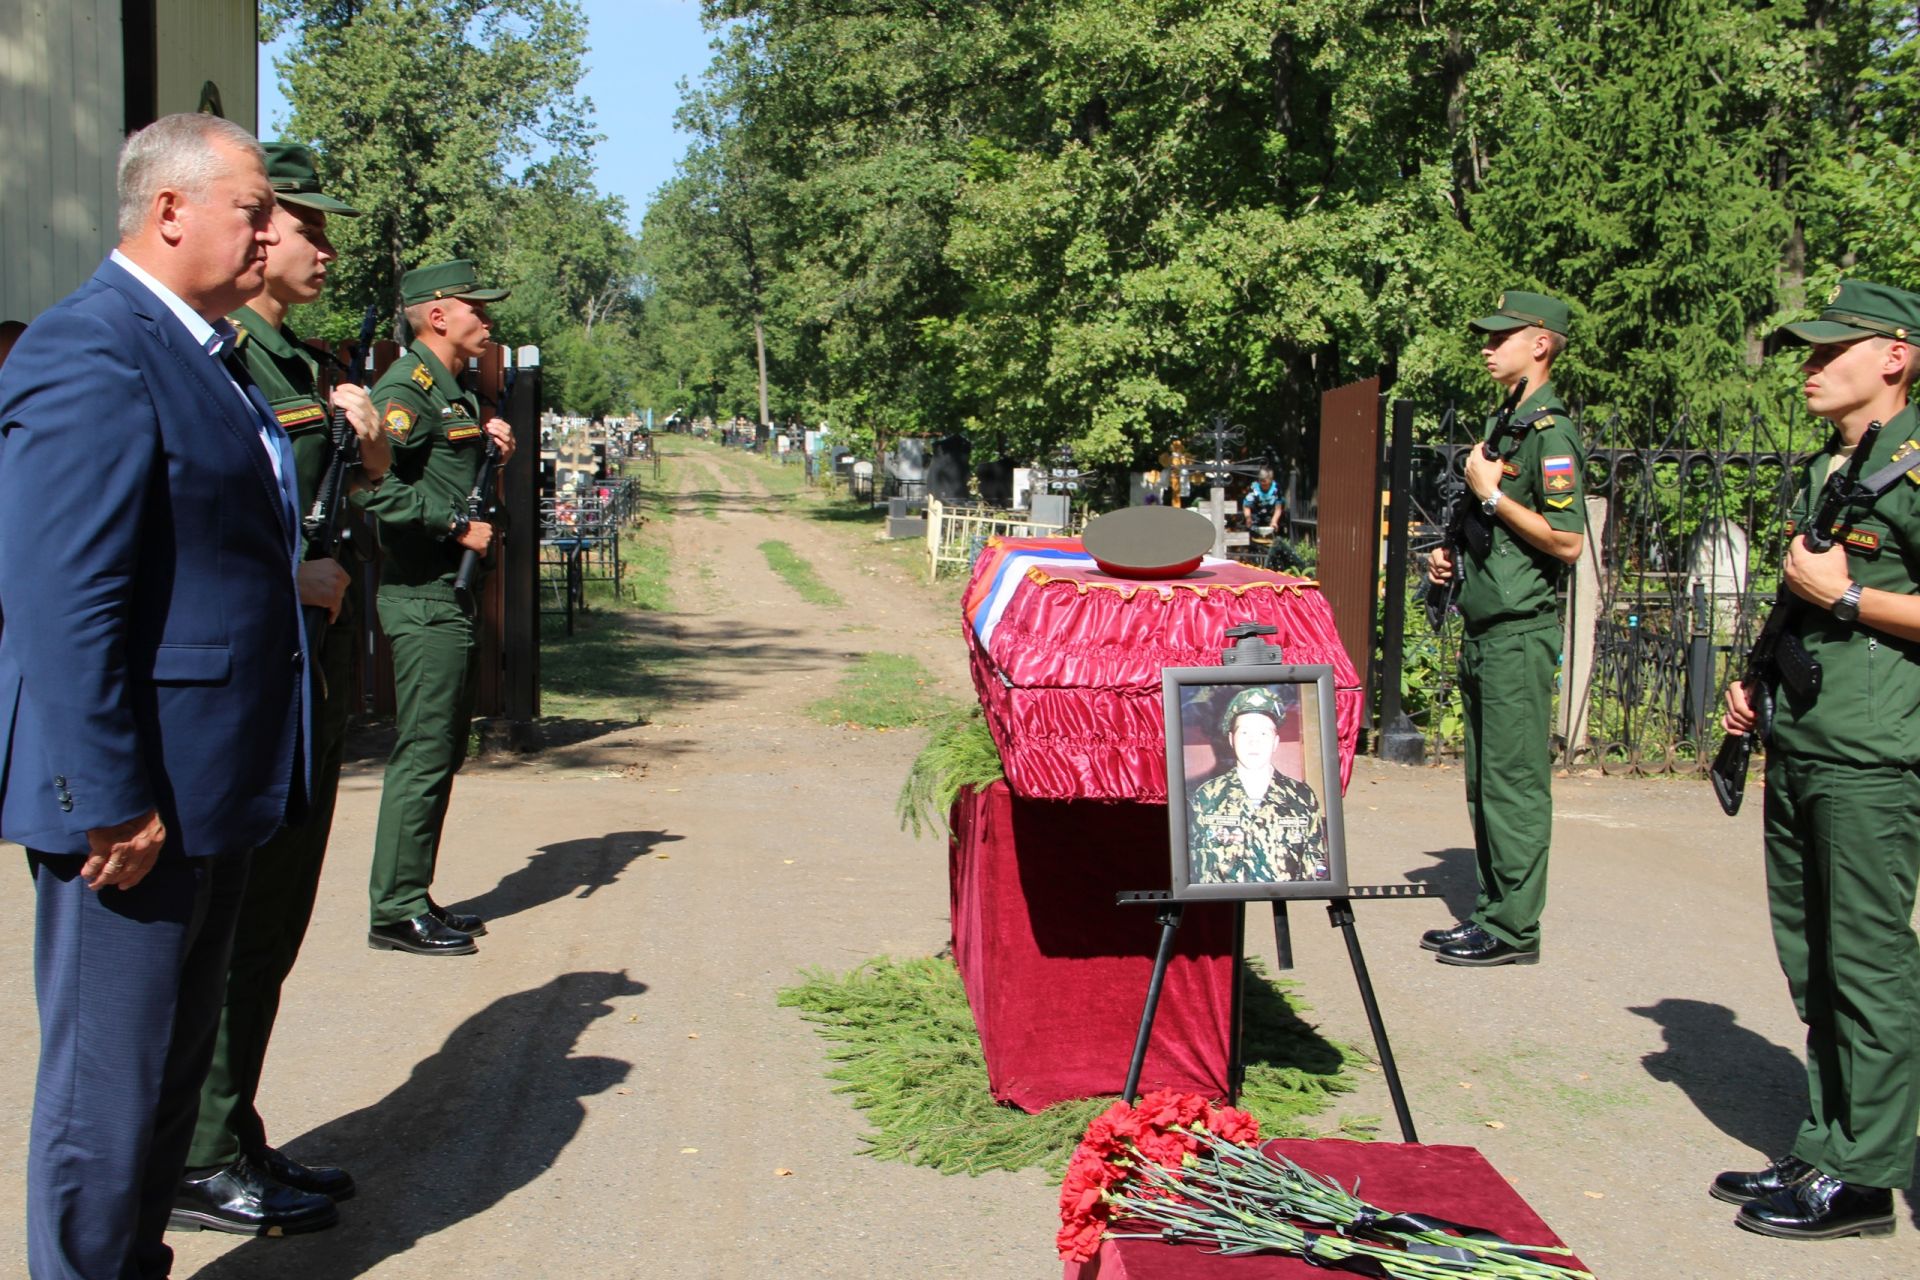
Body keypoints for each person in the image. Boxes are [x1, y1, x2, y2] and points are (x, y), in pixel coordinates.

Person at [0, 112, 304, 1280]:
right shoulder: (94, 346)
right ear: (170, 209)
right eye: (256, 207)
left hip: (206, 781)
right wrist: (110, 793)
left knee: (168, 1075)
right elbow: (63, 595)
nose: (272, 232)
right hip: (128, 802)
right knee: (104, 1089)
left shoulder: (204, 353)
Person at [169, 142, 388, 1238]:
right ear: (257, 237)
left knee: (275, 921)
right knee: (245, 915)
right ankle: (201, 1150)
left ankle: (232, 1123)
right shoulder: (226, 358)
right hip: (262, 669)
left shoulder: (296, 360)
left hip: (308, 662)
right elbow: (200, 527)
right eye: (308, 227)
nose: (320, 248)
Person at [1714, 280, 1920, 1241]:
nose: (1807, 368)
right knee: (1814, 959)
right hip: (1807, 737)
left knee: (1868, 965)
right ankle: (1830, 1139)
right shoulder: (1835, 466)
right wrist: (1759, 679)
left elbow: (1844, 594)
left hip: (1873, 755)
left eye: (1828, 351)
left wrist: (1847, 603)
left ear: (1895, 355)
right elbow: (1808, 590)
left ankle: (1867, 1175)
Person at [1422, 289, 1586, 967]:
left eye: (1501, 336)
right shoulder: (1509, 419)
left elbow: (1568, 542)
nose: (1487, 347)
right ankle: (1491, 914)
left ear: (1541, 343)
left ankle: (1515, 930)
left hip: (1520, 629)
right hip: (1487, 621)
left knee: (1514, 782)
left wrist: (1490, 493)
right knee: (1484, 779)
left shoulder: (1551, 433)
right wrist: (1453, 549)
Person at [359, 258, 515, 956]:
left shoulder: (448, 393)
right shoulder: (405, 389)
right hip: (422, 597)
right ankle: (393, 910)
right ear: (438, 314)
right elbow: (371, 488)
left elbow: (447, 471)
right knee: (423, 753)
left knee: (442, 748)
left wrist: (490, 448)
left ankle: (413, 893)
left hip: (445, 598)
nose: (489, 320)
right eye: (477, 308)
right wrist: (454, 529)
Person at [1187, 687, 1328, 883]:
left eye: (1263, 733)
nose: (1254, 742)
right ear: (1231, 740)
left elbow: (1315, 868)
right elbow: (1196, 868)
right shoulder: (1207, 797)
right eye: (1244, 733)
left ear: (1275, 741)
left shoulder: (1302, 797)